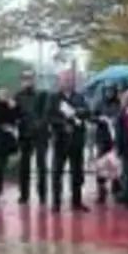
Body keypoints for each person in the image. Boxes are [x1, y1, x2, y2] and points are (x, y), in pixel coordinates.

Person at [47, 70, 91, 212]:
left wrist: (80, 113)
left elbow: (86, 113)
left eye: (71, 80)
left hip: (76, 141)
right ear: (60, 81)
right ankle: (56, 203)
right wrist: (62, 124)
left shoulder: (79, 97)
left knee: (77, 172)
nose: (68, 82)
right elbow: (49, 117)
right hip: (60, 141)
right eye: (65, 80)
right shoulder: (54, 98)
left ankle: (77, 202)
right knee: (57, 173)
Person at [12, 70, 49, 205]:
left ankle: (43, 194)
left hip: (40, 135)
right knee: (24, 166)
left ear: (34, 80)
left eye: (30, 78)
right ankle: (24, 194)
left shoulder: (42, 95)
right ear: (21, 81)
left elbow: (46, 113)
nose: (27, 81)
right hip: (24, 135)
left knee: (41, 166)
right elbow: (14, 115)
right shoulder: (18, 97)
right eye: (25, 79)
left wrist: (39, 125)